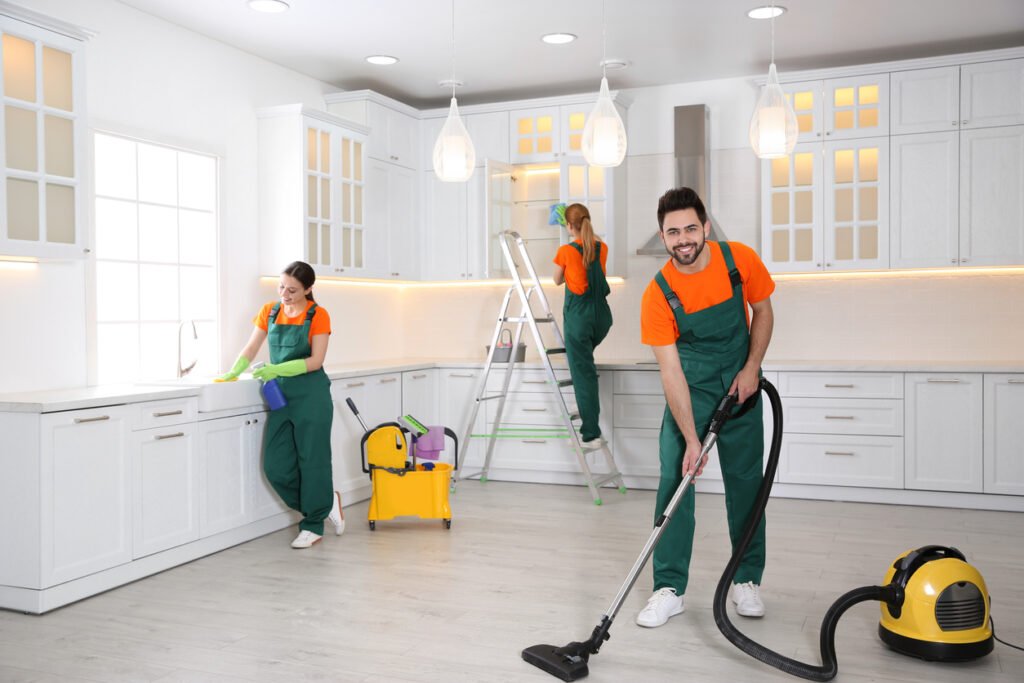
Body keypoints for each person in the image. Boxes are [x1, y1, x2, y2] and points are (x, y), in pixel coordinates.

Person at [635, 187, 775, 627]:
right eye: (672, 231)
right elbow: (670, 372)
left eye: (690, 228)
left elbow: (764, 311)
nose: (682, 239)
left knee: (746, 483)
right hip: (689, 393)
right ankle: (669, 588)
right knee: (674, 482)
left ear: (705, 226)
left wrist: (752, 367)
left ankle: (746, 579)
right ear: (663, 236)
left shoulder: (740, 260)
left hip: (742, 387)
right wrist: (692, 439)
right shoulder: (657, 293)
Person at [218, 261, 345, 549]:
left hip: (311, 395)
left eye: (292, 290)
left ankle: (313, 525)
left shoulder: (318, 315)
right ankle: (325, 504)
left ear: (309, 289)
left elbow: (316, 361)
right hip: (279, 396)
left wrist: (277, 369)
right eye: (281, 287)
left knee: (312, 461)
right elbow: (251, 347)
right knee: (275, 466)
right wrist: (234, 370)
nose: (284, 294)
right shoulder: (270, 311)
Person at [552, 203, 613, 447]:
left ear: (568, 225)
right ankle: (591, 424)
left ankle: (590, 432)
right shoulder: (601, 248)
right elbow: (591, 246)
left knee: (583, 374)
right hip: (601, 319)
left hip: (579, 319)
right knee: (585, 367)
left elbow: (556, 280)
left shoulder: (566, 251)